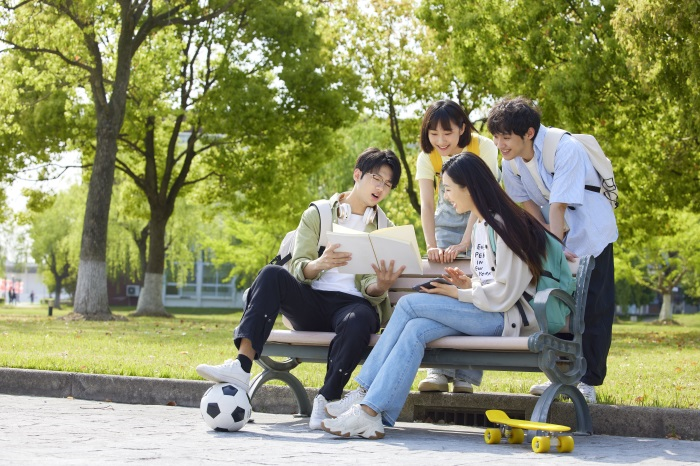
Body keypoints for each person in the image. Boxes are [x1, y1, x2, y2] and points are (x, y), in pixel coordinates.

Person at [321, 152, 563, 439]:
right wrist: (466, 285)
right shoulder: (484, 226)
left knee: (410, 304)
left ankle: (363, 391)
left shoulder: (505, 225)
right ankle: (372, 413)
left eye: (448, 188)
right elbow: (492, 282)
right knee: (415, 329)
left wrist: (457, 293)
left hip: (510, 319)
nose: (445, 197)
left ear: (469, 188)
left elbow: (505, 295)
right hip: (491, 311)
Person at [195, 148, 405, 430]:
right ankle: (241, 367)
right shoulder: (318, 213)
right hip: (312, 301)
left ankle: (327, 399)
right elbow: (298, 267)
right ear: (357, 175)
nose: (380, 187)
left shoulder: (383, 227)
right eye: (375, 178)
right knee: (271, 274)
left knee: (360, 319)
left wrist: (382, 285)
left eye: (387, 184)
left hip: (351, 307)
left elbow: (370, 286)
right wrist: (319, 264)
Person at [486, 96, 618, 404]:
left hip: (590, 233)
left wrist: (554, 253)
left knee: (593, 307)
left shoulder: (564, 147)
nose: (500, 143)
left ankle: (588, 381)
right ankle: (561, 376)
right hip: (556, 235)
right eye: (496, 136)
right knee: (556, 304)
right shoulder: (510, 161)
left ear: (528, 133)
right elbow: (528, 205)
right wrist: (548, 246)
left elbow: (558, 205)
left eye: (506, 136)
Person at [415, 99, 500, 394]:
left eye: (447, 133)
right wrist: (432, 244)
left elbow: (482, 198)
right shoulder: (428, 157)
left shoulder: (484, 148)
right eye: (433, 134)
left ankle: (466, 375)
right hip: (445, 226)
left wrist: (467, 241)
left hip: (482, 222)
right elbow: (427, 204)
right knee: (443, 294)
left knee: (476, 293)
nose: (440, 141)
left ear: (462, 128)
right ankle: (437, 370)